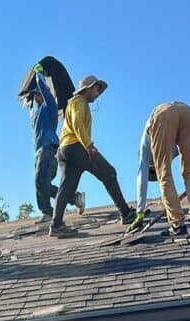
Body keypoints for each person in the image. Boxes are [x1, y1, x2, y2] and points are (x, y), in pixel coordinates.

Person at [51, 75, 136, 238]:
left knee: (67, 188)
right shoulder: (78, 102)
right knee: (109, 173)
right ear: (88, 88)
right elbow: (77, 124)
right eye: (97, 90)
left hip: (65, 149)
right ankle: (126, 213)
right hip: (76, 146)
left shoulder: (75, 104)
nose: (98, 94)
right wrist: (89, 146)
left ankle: (56, 225)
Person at [132, 118, 190, 227]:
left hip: (160, 116)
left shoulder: (145, 155)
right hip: (187, 114)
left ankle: (177, 224)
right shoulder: (173, 149)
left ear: (152, 169)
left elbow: (141, 181)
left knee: (165, 178)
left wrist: (140, 213)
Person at [146, 102, 190, 236]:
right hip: (188, 111)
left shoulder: (144, 149)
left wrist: (140, 211)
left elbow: (141, 173)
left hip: (163, 113)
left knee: (164, 174)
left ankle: (177, 224)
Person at [24, 64, 60, 223]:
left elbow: (46, 90)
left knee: (40, 181)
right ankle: (74, 197)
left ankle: (47, 212)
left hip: (48, 148)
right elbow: (28, 103)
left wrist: (39, 74)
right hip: (39, 151)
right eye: (35, 95)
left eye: (38, 93)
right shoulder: (35, 114)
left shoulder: (50, 107)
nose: (37, 96)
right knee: (43, 184)